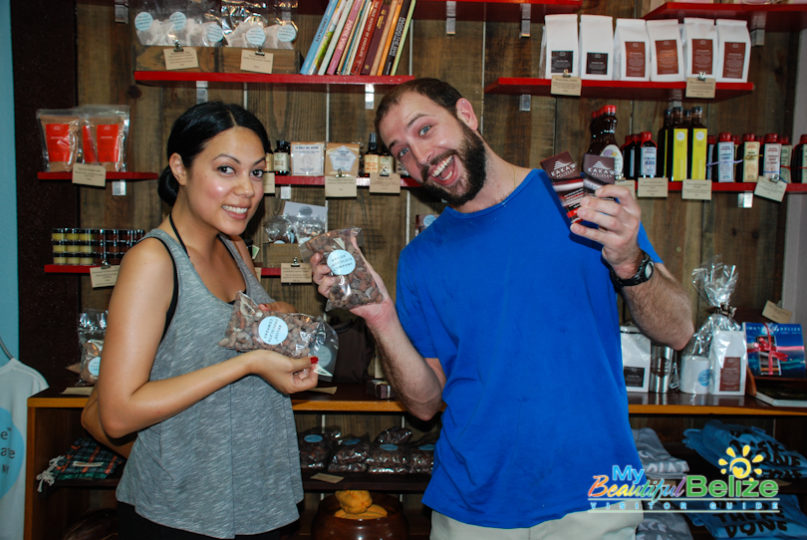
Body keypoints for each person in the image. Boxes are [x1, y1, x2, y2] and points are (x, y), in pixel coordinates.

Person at [310, 78, 694, 539]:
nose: (420, 158)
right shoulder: (421, 258)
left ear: (467, 115)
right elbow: (425, 404)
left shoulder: (579, 200)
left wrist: (631, 261)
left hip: (591, 496)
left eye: (425, 129)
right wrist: (380, 318)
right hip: (471, 503)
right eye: (401, 152)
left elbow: (678, 330)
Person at [90, 101, 318, 540]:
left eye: (256, 172)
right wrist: (247, 364)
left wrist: (284, 318)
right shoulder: (154, 262)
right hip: (184, 513)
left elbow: (233, 333)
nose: (248, 190)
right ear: (180, 168)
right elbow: (117, 414)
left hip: (260, 500)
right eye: (226, 170)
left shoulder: (233, 247)